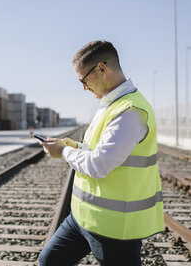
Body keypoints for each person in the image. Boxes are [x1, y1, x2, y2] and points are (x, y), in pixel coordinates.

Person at [38, 40, 164, 266]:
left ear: (101, 69)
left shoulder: (131, 111)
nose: (84, 87)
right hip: (82, 218)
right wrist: (69, 145)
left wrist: (64, 152)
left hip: (114, 229)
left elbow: (100, 164)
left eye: (83, 80)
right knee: (49, 261)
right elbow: (95, 150)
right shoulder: (109, 104)